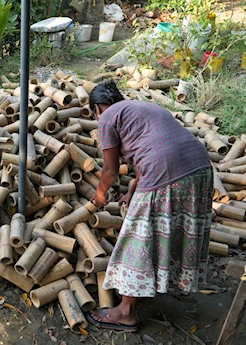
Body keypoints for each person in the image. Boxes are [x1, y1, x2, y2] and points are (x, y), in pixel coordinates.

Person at [87, 81, 213, 332]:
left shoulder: (107, 117)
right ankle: (149, 286)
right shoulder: (144, 107)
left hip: (166, 171)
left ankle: (125, 313)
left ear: (97, 109)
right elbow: (151, 150)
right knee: (166, 229)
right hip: (200, 169)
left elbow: (110, 171)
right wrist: (133, 191)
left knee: (137, 238)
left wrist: (100, 196)